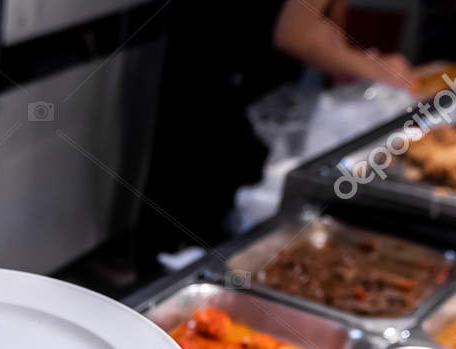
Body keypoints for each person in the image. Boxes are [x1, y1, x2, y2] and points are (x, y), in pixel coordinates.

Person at [139, 0, 416, 257]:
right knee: (193, 222)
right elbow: (295, 34)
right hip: (224, 78)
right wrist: (376, 68)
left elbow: (326, 17)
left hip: (238, 76)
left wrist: (342, 56)